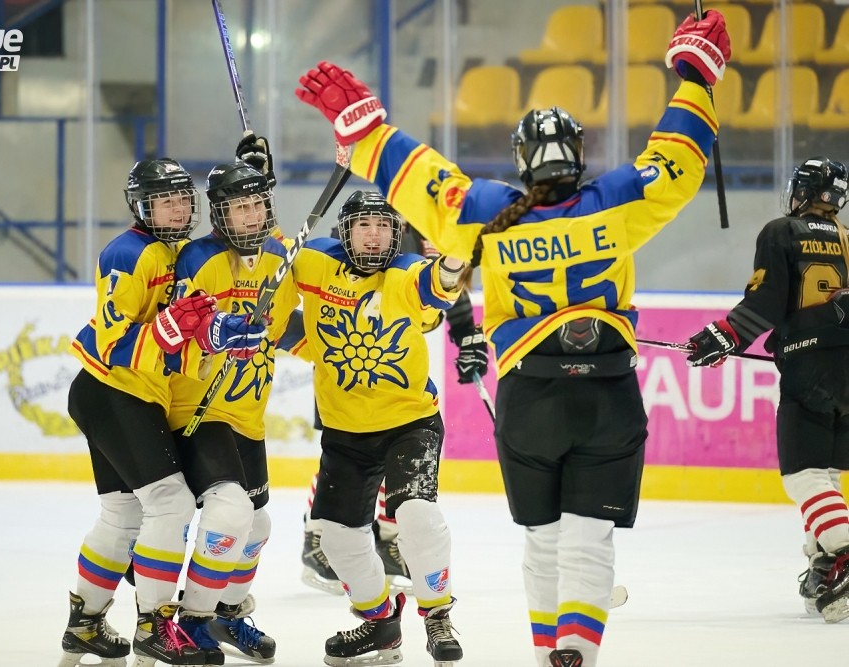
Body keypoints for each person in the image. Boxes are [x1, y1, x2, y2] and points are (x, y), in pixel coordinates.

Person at [294, 9, 730, 667]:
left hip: (531, 397)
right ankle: (576, 649)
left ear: (522, 160)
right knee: (589, 539)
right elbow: (677, 163)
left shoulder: (489, 213)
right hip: (608, 392)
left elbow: (425, 184)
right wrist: (696, 79)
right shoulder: (616, 201)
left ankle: (548, 649)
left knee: (544, 539)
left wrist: (368, 133)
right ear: (578, 153)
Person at [59, 158, 265, 667]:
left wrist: (216, 337)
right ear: (140, 206)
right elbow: (113, 342)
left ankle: (84, 624)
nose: (176, 208)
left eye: (182, 199)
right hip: (113, 391)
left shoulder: (183, 252)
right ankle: (154, 625)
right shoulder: (127, 253)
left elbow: (180, 340)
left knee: (123, 513)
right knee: (170, 504)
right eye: (163, 200)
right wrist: (170, 332)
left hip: (133, 394)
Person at [286, 190, 466, 666]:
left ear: (397, 234)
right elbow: (266, 267)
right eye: (364, 225)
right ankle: (380, 623)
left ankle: (437, 614)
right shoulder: (314, 262)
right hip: (346, 431)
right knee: (336, 539)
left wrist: (453, 257)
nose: (374, 235)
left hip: (410, 422)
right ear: (345, 232)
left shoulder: (406, 271)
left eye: (384, 226)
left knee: (416, 515)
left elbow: (439, 285)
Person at [685, 156, 849, 624]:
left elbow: (767, 301)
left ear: (804, 191)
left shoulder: (783, 231)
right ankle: (825, 564)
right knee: (825, 472)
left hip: (811, 370)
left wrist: (724, 335)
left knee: (803, 475)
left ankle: (843, 551)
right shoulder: (848, 239)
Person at [165, 138, 293, 664]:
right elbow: (183, 327)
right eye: (239, 207)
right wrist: (218, 331)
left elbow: (292, 324)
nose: (251, 214)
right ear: (218, 214)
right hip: (198, 413)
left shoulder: (280, 258)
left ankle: (226, 613)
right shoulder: (200, 258)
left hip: (247, 418)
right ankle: (192, 621)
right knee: (231, 511)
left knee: (257, 525)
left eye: (258, 203)